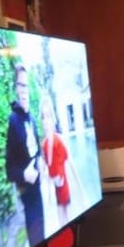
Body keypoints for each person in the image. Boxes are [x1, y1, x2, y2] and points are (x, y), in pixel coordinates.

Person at [5, 64, 44, 247]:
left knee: (44, 237)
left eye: (26, 86)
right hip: (28, 195)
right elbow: (9, 170)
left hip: (39, 189)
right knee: (37, 242)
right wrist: (24, 175)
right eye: (20, 85)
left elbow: (36, 148)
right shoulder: (13, 121)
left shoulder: (31, 118)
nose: (24, 90)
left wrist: (41, 159)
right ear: (15, 88)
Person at [40, 94, 73, 226]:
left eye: (48, 116)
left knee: (68, 218)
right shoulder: (44, 145)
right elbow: (46, 168)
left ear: (53, 119)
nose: (46, 121)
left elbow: (68, 162)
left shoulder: (59, 141)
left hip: (64, 187)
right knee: (61, 221)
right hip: (56, 189)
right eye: (43, 117)